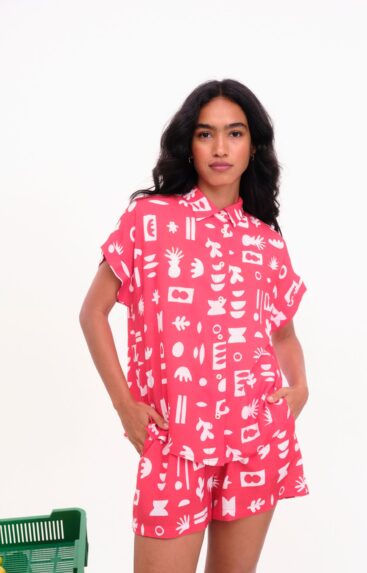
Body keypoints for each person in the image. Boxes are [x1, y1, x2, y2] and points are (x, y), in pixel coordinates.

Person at [79, 78, 310, 573]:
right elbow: (92, 312)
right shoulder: (148, 220)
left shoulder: (266, 241)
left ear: (253, 146)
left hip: (254, 440)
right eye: (206, 134)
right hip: (174, 440)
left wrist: (300, 387)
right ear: (189, 143)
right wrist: (125, 406)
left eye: (235, 133)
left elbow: (284, 334)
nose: (221, 148)